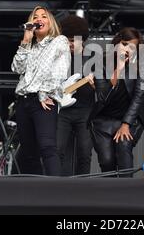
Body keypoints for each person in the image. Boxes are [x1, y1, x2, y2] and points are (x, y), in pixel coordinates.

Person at [11, 6, 70, 176]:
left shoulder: (59, 41)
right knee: (29, 152)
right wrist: (26, 41)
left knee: (47, 147)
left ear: (50, 22)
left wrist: (43, 94)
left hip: (44, 100)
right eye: (35, 17)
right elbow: (16, 68)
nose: (39, 19)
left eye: (43, 16)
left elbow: (59, 71)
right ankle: (35, 192)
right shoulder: (29, 46)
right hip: (24, 101)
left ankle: (56, 193)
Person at [88, 27, 144, 177]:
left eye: (132, 47)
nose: (126, 49)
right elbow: (103, 97)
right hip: (103, 120)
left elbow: (139, 97)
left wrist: (126, 124)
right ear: (116, 44)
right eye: (124, 44)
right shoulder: (101, 63)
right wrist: (119, 69)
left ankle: (128, 196)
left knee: (123, 151)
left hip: (129, 120)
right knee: (107, 161)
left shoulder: (142, 65)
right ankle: (110, 197)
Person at [57, 15, 95, 176]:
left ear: (83, 39)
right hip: (62, 111)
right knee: (56, 151)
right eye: (67, 40)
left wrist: (97, 86)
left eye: (73, 40)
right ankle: (53, 186)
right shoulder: (58, 57)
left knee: (85, 153)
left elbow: (106, 88)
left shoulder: (95, 58)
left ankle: (83, 189)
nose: (70, 44)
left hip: (85, 111)